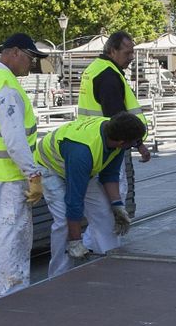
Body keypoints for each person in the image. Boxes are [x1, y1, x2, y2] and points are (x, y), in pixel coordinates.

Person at [0, 33, 47, 300]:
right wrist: (33, 173)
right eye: (29, 57)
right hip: (8, 174)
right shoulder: (6, 87)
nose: (31, 64)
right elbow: (14, 140)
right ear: (13, 52)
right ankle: (12, 290)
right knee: (12, 233)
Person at [34, 113, 146, 277]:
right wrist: (75, 241)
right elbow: (74, 200)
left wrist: (117, 207)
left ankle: (111, 264)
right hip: (50, 167)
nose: (136, 146)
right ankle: (59, 276)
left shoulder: (115, 136)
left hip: (81, 164)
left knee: (105, 214)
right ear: (122, 142)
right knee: (64, 223)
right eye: (134, 144)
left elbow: (109, 175)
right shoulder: (83, 152)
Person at [76, 30, 150, 253]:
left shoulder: (95, 69)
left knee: (102, 203)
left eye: (133, 52)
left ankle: (94, 244)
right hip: (109, 146)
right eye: (127, 53)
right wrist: (138, 142)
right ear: (112, 50)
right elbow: (118, 118)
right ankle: (105, 248)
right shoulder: (108, 75)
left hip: (94, 142)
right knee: (112, 200)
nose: (131, 57)